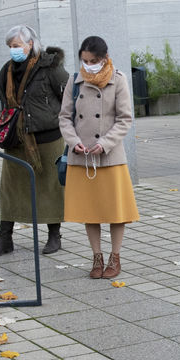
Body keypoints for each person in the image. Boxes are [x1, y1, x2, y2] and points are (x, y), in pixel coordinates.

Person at [59, 36, 140, 279]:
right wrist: (73, 142)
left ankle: (115, 257)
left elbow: (125, 119)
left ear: (104, 58)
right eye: (85, 61)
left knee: (116, 211)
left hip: (110, 156)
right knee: (89, 210)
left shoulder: (118, 79)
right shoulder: (74, 80)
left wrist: (104, 144)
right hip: (82, 157)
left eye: (93, 61)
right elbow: (64, 117)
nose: (89, 65)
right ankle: (97, 257)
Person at [0, 25, 67, 257]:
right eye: (10, 46)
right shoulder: (7, 70)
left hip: (48, 138)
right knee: (10, 189)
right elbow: (4, 100)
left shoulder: (50, 67)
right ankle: (5, 239)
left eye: (16, 45)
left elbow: (67, 97)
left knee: (50, 188)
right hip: (17, 139)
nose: (13, 50)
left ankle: (54, 236)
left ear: (30, 44)